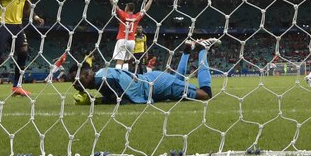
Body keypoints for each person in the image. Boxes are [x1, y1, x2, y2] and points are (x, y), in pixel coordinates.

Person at [70, 38, 220, 105]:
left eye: (77, 80)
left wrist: (93, 102)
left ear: (87, 74)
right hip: (151, 81)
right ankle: (187, 51)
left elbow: (122, 101)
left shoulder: (103, 81)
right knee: (178, 80)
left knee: (206, 94)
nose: (75, 85)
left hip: (157, 85)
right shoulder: (102, 73)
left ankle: (202, 49)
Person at [106, 0, 154, 71]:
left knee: (120, 60)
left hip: (122, 39)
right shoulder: (136, 16)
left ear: (127, 8)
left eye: (125, 6)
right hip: (131, 42)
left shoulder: (123, 14)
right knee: (126, 61)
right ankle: (125, 77)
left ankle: (118, 76)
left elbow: (113, 4)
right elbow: (145, 9)